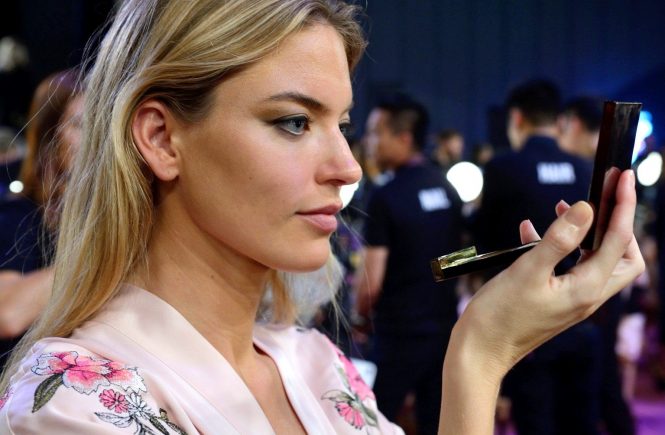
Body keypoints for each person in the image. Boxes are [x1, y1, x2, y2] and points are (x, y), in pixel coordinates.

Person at [0, 2, 643, 434]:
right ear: (163, 139)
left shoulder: (317, 364)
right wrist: (479, 356)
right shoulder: (72, 399)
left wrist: (481, 351)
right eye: (293, 122)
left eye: (343, 124)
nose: (346, 165)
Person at [473, 79, 604, 434]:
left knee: (536, 422)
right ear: (558, 120)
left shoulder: (502, 167)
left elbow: (486, 245)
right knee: (580, 422)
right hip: (580, 316)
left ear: (516, 119)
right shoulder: (581, 168)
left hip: (528, 323)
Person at [353, 96, 464, 434]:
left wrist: (358, 316)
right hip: (444, 330)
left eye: (376, 132)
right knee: (435, 421)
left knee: (372, 421)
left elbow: (371, 282)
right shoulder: (447, 188)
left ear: (403, 138)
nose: (368, 141)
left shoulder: (387, 195)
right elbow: (460, 257)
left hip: (398, 335)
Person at [0, 70, 82, 370]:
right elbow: (8, 313)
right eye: (81, 125)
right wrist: (104, 256)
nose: (96, 140)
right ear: (50, 136)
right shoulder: (17, 217)